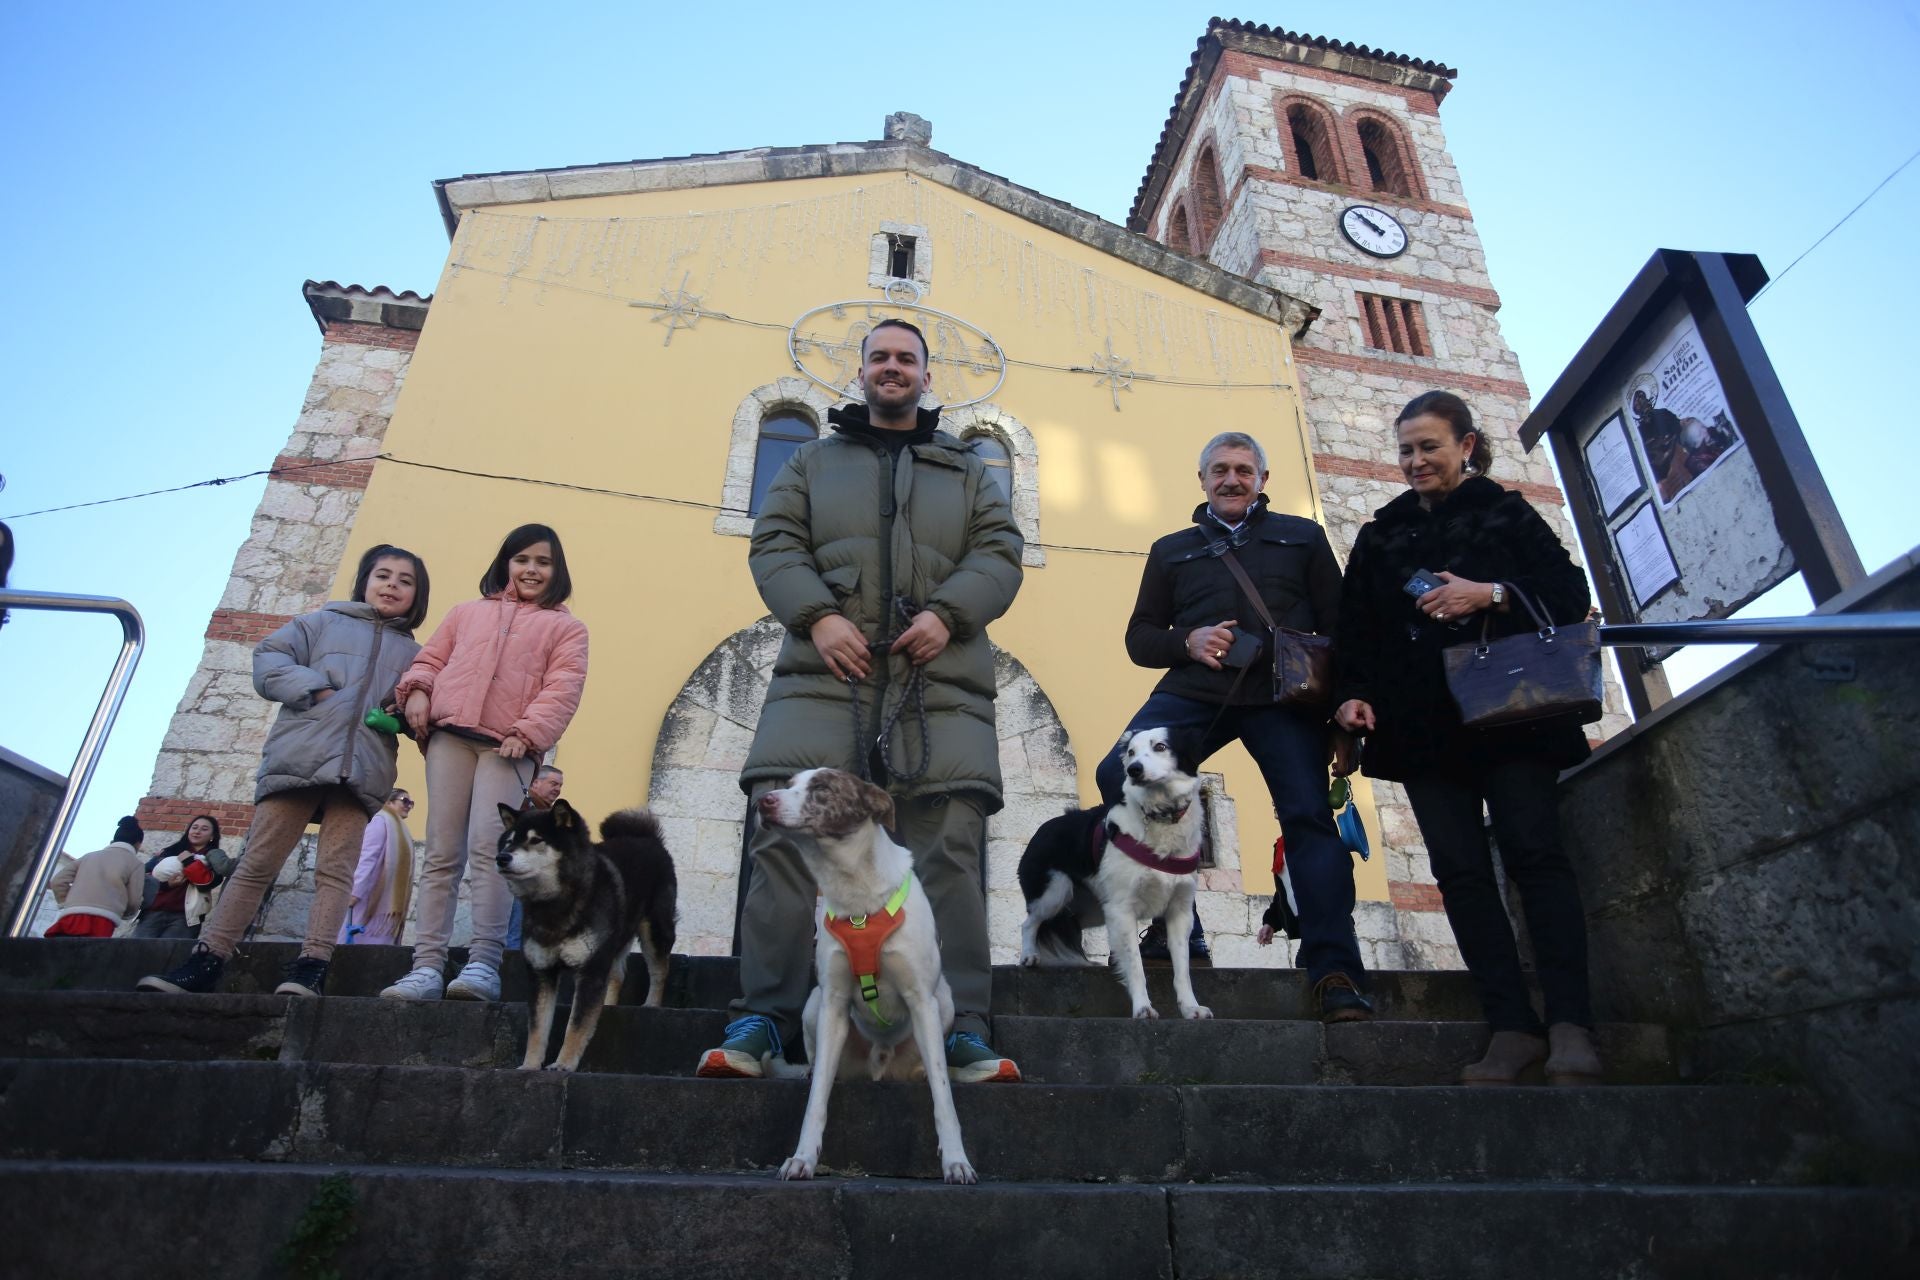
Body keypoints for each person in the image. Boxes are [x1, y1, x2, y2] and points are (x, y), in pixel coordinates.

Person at [697, 318, 1025, 1082]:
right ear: (863, 371)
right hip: (822, 680)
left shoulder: (971, 470)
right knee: (782, 844)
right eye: (879, 356)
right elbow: (774, 543)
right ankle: (764, 1020)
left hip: (938, 687)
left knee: (948, 852)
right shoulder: (812, 461)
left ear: (926, 375)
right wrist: (820, 616)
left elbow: (1000, 553)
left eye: (906, 358)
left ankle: (959, 1026)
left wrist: (949, 614)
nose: (892, 367)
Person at [1333, 390, 1602, 1085]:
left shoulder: (1505, 512)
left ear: (1466, 446)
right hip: (1423, 726)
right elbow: (1356, 632)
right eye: (1406, 451)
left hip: (1514, 715)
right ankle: (1510, 1027)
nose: (1416, 461)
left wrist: (1489, 593)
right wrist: (1352, 694)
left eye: (1429, 447)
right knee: (1459, 874)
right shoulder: (1379, 535)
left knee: (1536, 856)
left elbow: (1569, 594)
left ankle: (1572, 1023)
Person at [1095, 430, 1372, 1022]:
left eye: (1244, 470)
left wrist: (1351, 699)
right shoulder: (1171, 549)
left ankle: (1335, 970)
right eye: (1219, 470)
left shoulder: (1303, 537)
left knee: (1308, 819)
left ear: (1263, 481)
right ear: (1202, 480)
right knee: (1117, 773)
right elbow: (1140, 638)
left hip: (1283, 697)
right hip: (1197, 691)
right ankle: (1181, 933)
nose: (1231, 479)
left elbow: (1343, 624)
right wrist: (1186, 641)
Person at [137, 544, 430, 997]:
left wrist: (406, 713)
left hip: (363, 770)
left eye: (405, 581)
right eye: (383, 575)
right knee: (258, 862)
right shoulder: (321, 622)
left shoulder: (415, 653)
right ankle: (209, 957)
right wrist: (314, 691)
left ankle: (313, 965)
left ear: (418, 595)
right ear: (365, 581)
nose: (392, 585)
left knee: (337, 872)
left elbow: (422, 705)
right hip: (300, 756)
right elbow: (270, 658)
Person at [379, 524, 589, 1003]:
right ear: (505, 564)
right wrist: (415, 693)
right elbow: (429, 661)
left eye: (543, 561)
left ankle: (483, 965)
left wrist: (527, 732)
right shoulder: (465, 613)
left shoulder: (567, 628)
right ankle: (426, 966)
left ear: (557, 570)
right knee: (441, 853)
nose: (532, 569)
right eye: (522, 560)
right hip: (450, 737)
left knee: (490, 854)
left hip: (508, 748)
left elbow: (563, 688)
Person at [132, 815, 233, 939]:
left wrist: (188, 861)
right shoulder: (169, 851)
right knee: (137, 954)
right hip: (153, 912)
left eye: (204, 829)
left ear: (212, 836)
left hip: (184, 918)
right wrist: (167, 884)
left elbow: (208, 883)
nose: (197, 831)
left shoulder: (212, 857)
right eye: (194, 827)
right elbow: (143, 877)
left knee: (173, 956)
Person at [339, 788, 417, 946]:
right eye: (405, 801)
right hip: (369, 895)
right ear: (388, 802)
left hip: (385, 898)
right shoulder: (380, 821)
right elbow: (367, 856)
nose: (409, 805)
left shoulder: (400, 828)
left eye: (411, 803)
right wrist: (355, 891)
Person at [46, 816, 146, 938]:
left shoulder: (89, 856)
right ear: (138, 843)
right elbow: (134, 900)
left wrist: (67, 903)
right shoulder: (136, 864)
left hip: (71, 915)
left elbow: (58, 881)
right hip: (104, 920)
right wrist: (125, 913)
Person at [503, 765, 563, 949]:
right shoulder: (522, 803)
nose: (557, 789)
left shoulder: (544, 811)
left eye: (560, 785)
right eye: (553, 783)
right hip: (520, 875)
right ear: (536, 782)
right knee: (516, 930)